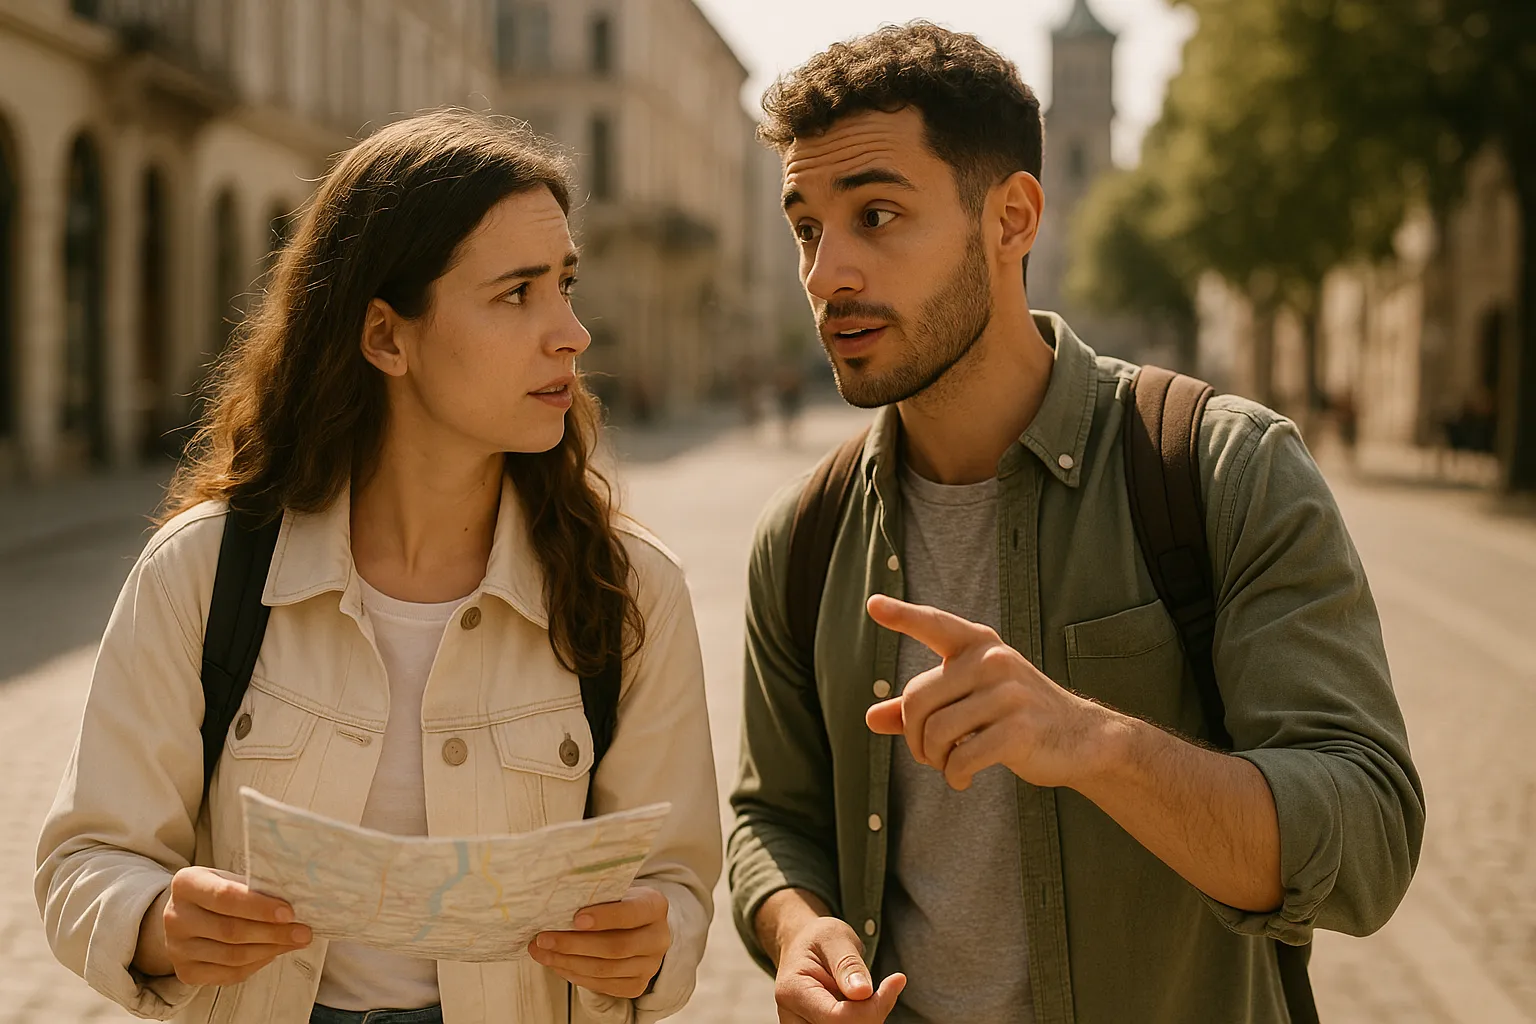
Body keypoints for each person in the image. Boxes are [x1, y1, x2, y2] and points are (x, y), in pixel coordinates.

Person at [728, 23, 1423, 1024]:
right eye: (806, 228)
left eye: (876, 215)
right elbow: (771, 817)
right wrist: (796, 927)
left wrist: (1093, 740)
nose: (825, 272)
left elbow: (1368, 844)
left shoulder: (1220, 468)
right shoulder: (800, 535)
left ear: (1012, 219)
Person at [36, 109, 720, 1024]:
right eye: (516, 294)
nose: (572, 333)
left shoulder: (630, 589)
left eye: (565, 284)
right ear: (386, 337)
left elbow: (677, 879)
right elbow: (86, 860)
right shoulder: (202, 569)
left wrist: (652, 940)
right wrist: (160, 922)